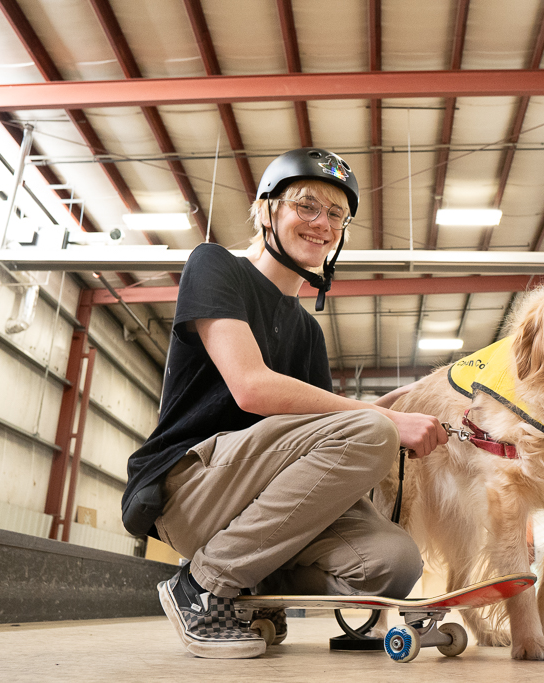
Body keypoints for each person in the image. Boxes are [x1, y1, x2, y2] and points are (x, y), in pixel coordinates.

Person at [121, 148, 447, 659]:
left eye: (336, 214)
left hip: (263, 496)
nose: (323, 223)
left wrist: (382, 413)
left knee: (393, 562)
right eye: (307, 206)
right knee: (372, 431)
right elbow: (251, 387)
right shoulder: (215, 265)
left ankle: (251, 592)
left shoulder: (307, 333)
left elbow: (321, 434)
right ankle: (203, 587)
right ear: (266, 209)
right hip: (194, 487)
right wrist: (381, 419)